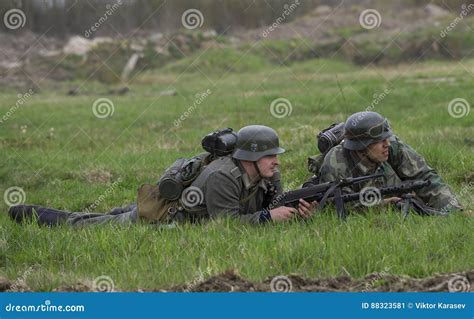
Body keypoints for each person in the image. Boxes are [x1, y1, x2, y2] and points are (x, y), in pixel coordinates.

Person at [9, 125, 314, 227]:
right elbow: (227, 225)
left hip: (186, 209)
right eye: (270, 155)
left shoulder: (269, 173)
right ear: (250, 157)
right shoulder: (224, 176)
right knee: (87, 224)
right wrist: (268, 218)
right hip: (166, 218)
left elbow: (275, 201)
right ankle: (30, 214)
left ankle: (120, 212)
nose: (276, 161)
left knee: (113, 215)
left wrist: (295, 209)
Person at [314, 111, 462, 213]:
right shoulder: (336, 162)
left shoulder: (391, 146)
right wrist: (386, 205)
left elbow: (425, 177)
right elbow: (339, 207)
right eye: (379, 141)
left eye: (387, 138)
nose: (387, 144)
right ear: (361, 146)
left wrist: (452, 209)